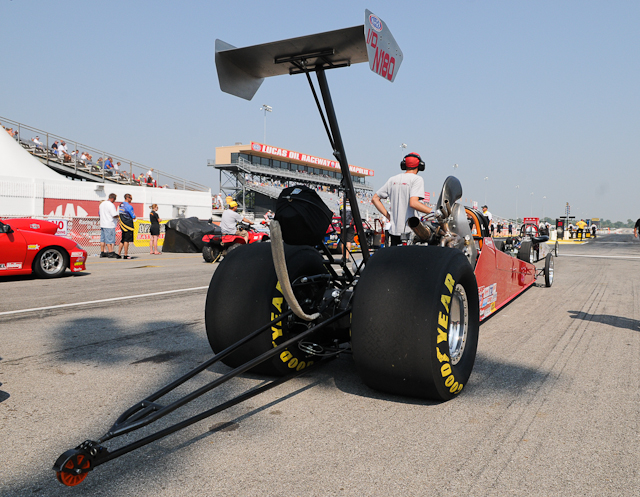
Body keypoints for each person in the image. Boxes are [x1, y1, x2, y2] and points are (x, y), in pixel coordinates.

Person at [372, 152, 432, 246]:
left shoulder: (392, 179)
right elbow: (413, 203)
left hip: (394, 232)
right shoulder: (417, 179)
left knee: (396, 259)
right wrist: (433, 212)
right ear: (420, 166)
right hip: (411, 232)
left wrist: (389, 216)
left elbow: (375, 199)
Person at [116, 193, 137, 259]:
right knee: (126, 240)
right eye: (131, 198)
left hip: (122, 225)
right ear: (127, 198)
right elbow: (133, 216)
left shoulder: (120, 205)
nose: (131, 200)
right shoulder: (129, 206)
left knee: (123, 240)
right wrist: (134, 217)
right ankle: (125, 254)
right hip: (128, 225)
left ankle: (118, 254)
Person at [99, 193, 119, 258]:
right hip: (109, 224)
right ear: (113, 199)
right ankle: (111, 252)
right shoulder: (111, 205)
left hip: (103, 223)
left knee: (103, 239)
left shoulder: (102, 204)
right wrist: (119, 215)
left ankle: (102, 252)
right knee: (110, 240)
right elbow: (114, 214)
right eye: (114, 199)